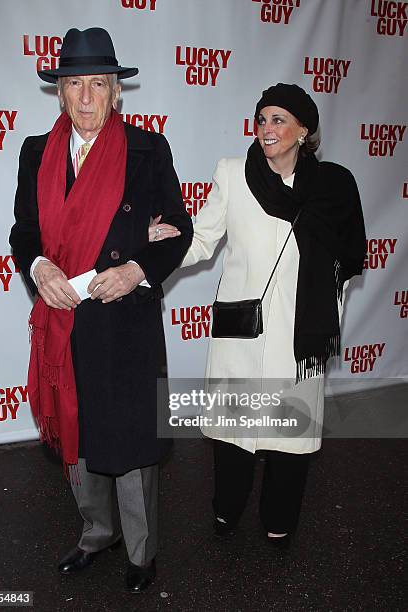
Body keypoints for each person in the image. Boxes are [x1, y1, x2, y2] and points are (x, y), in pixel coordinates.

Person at [9, 27, 193, 592]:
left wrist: (135, 269)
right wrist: (39, 270)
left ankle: (141, 552)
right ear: (59, 93)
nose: (86, 97)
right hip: (64, 319)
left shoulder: (147, 150)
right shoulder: (36, 153)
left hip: (124, 319)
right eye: (74, 84)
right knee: (78, 435)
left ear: (116, 93)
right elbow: (26, 232)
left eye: (98, 84)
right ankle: (97, 534)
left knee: (130, 440)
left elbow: (177, 230)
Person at [152, 83, 366, 544]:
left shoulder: (332, 185)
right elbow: (203, 239)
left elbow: (347, 259)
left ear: (303, 130)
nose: (267, 129)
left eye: (279, 120)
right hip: (242, 326)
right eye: (262, 119)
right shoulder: (233, 173)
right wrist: (163, 244)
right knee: (234, 435)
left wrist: (327, 312)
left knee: (290, 436)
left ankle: (280, 519)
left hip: (299, 333)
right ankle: (226, 510)